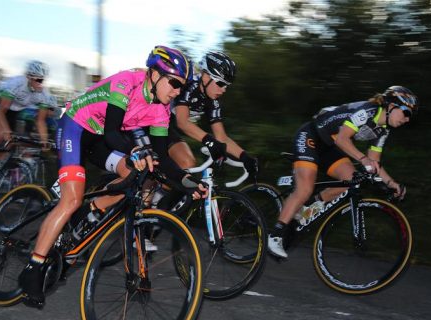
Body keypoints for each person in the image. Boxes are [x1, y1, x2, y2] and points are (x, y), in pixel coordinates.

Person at [18, 45, 200, 308]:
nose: (177, 91)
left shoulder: (161, 110)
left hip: (101, 141)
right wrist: (137, 150)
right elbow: (113, 131)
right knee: (70, 199)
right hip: (76, 128)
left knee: (139, 176)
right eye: (174, 83)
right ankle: (33, 267)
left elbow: (162, 157)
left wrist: (188, 183)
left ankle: (89, 213)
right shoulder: (126, 82)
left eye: (181, 87)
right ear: (154, 74)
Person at [267, 86, 417, 259]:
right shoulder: (368, 111)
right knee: (305, 188)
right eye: (406, 113)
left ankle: (308, 206)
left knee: (352, 180)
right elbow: (342, 138)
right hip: (311, 135)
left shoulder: (383, 130)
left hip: (329, 147)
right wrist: (363, 159)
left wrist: (392, 183)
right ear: (391, 106)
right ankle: (276, 235)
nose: (407, 119)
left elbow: (375, 163)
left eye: (410, 116)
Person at [167, 51, 259, 177]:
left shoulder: (213, 101)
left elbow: (221, 137)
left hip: (171, 131)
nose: (224, 90)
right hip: (155, 125)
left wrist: (244, 157)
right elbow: (182, 122)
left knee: (186, 167)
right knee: (182, 165)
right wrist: (209, 141)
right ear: (205, 77)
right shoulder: (189, 86)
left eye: (227, 86)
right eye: (220, 83)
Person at [0, 60, 52, 185]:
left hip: (14, 109)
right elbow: (1, 112)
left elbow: (40, 121)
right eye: (37, 79)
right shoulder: (16, 84)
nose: (40, 83)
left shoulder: (44, 94)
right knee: (1, 133)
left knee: (9, 143)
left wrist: (44, 140)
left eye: (42, 80)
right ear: (28, 77)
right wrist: (6, 130)